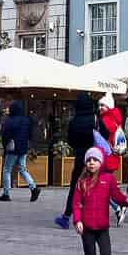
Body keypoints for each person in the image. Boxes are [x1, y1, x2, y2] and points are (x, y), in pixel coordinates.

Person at [72, 145, 128, 255]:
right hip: (87, 227)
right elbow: (76, 203)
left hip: (102, 226)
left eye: (95, 160)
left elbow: (117, 196)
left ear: (101, 162)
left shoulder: (108, 179)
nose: (91, 162)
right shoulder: (82, 181)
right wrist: (77, 220)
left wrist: (126, 200)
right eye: (89, 160)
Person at [56, 93, 100, 229]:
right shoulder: (95, 119)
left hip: (81, 156)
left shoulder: (74, 121)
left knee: (76, 187)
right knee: (94, 186)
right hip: (95, 155)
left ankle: (66, 216)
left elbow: (71, 140)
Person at [0, 100, 40, 202]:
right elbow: (30, 134)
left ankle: (6, 193)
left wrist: (5, 145)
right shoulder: (26, 120)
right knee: (22, 169)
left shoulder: (9, 120)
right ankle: (33, 187)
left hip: (12, 148)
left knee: (7, 170)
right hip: (23, 148)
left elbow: (5, 135)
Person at [95, 93, 126, 224]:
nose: (100, 108)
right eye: (99, 105)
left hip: (104, 157)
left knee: (99, 186)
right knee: (106, 186)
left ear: (109, 107)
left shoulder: (105, 121)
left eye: (103, 105)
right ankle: (118, 206)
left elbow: (100, 140)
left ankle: (119, 206)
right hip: (113, 157)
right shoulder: (116, 119)